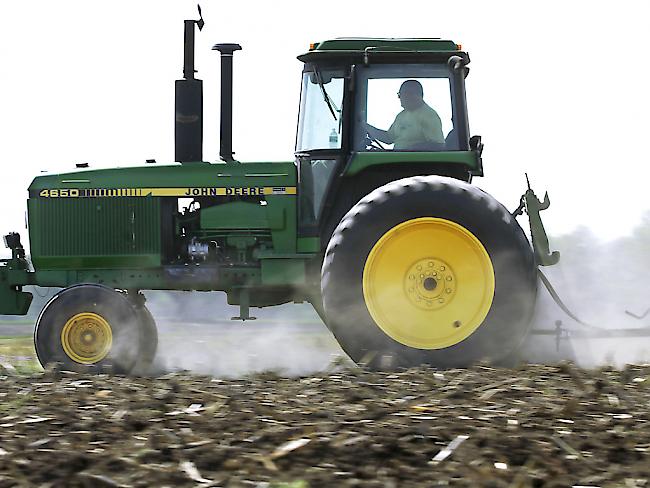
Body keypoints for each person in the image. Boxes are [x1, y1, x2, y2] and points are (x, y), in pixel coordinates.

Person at [366, 80, 445, 150]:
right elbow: (388, 138)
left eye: (401, 95)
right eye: (399, 95)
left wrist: (409, 149)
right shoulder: (401, 115)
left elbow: (437, 145)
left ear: (415, 95)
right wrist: (366, 127)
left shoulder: (429, 115)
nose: (400, 98)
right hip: (397, 160)